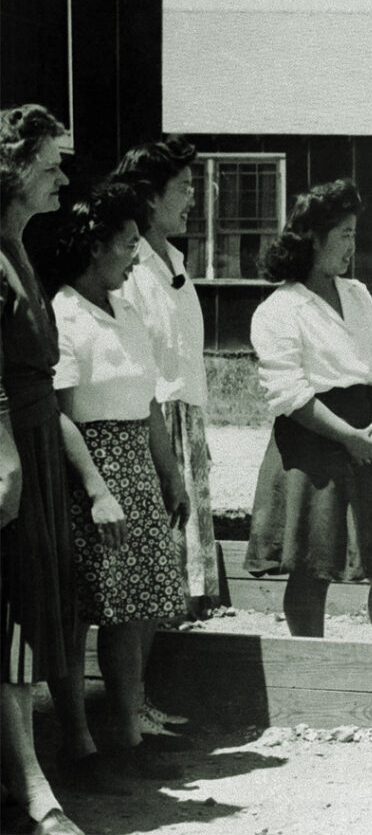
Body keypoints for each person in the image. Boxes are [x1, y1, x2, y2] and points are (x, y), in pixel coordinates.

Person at [50, 182, 189, 781]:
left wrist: (171, 473)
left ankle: (127, 731)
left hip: (136, 459)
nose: (136, 255)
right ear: (94, 245)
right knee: (88, 608)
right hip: (89, 469)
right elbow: (55, 412)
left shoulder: (124, 305)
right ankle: (78, 743)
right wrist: (98, 491)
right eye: (128, 243)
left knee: (138, 606)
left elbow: (150, 401)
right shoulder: (64, 312)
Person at [245, 180, 372, 640]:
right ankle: (308, 664)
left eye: (355, 234)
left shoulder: (358, 294)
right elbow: (289, 395)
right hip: (312, 444)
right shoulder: (280, 308)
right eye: (344, 234)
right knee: (312, 568)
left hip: (367, 437)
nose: (352, 246)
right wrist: (348, 437)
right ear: (313, 238)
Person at [1, 105, 89, 835]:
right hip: (7, 447)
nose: (62, 175)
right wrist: (4, 454)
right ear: (17, 168)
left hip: (33, 440)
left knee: (32, 603)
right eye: (52, 163)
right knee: (11, 610)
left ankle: (24, 772)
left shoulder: (20, 245)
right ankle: (31, 786)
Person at [114, 138, 217, 618]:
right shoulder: (129, 271)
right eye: (184, 187)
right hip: (152, 428)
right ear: (151, 198)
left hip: (186, 422)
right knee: (155, 570)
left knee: (185, 579)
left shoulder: (177, 264)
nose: (193, 198)